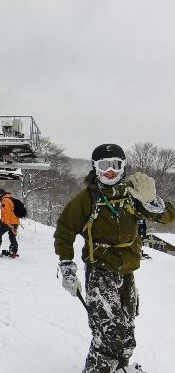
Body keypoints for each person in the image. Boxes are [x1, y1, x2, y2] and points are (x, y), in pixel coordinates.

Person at [54, 143, 175, 373]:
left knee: (127, 327)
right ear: (95, 168)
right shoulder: (86, 199)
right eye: (104, 166)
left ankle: (119, 367)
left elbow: (168, 218)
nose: (110, 171)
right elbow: (64, 232)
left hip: (127, 271)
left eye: (116, 165)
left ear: (123, 167)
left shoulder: (133, 195)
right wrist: (67, 266)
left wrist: (152, 202)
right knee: (109, 329)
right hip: (101, 271)